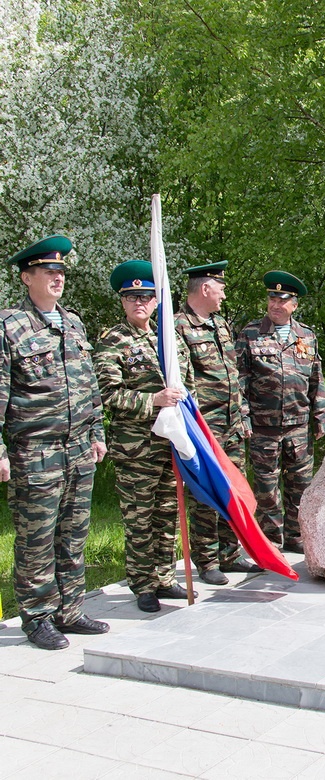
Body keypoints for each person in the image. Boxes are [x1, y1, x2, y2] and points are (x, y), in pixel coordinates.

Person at [0, 235, 109, 650]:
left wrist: (97, 434)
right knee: (37, 536)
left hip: (79, 449)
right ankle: (38, 614)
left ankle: (70, 609)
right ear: (27, 277)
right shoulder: (9, 326)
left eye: (61, 271)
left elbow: (90, 387)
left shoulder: (74, 323)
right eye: (48, 271)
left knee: (74, 532)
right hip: (36, 451)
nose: (57, 277)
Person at [94, 261, 192, 613]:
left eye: (146, 296)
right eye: (132, 296)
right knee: (139, 517)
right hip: (135, 447)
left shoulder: (168, 338)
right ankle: (142, 584)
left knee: (166, 514)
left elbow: (187, 384)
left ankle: (165, 577)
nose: (139, 302)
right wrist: (153, 400)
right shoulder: (112, 341)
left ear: (156, 301)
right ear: (122, 301)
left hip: (169, 444)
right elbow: (108, 394)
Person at [175, 260, 261, 585]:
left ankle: (230, 553)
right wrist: (193, 430)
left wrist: (243, 416)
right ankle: (207, 560)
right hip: (204, 428)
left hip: (232, 425)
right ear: (206, 288)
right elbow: (182, 382)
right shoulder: (178, 326)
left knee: (232, 489)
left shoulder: (221, 325)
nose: (224, 294)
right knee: (204, 495)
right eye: (221, 287)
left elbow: (233, 375)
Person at [236, 271, 325, 553]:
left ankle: (296, 537)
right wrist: (243, 416)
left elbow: (316, 378)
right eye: (271, 299)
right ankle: (271, 543)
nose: (275, 305)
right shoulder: (250, 333)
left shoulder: (307, 336)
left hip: (299, 426)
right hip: (264, 427)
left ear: (294, 304)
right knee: (266, 489)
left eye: (282, 300)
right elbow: (238, 380)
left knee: (301, 486)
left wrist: (321, 416)